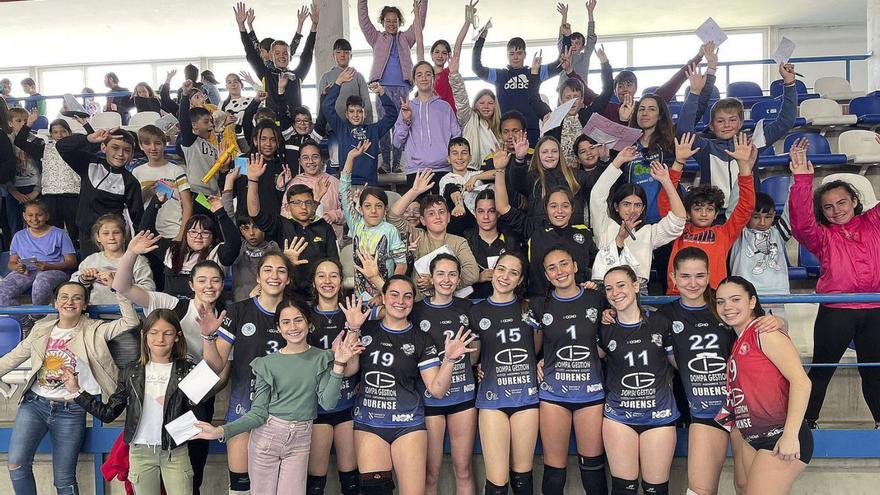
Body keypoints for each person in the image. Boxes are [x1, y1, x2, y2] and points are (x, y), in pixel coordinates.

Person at [196, 297, 363, 495]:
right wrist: (221, 431)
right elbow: (258, 413)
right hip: (267, 438)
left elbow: (327, 402)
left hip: (301, 439)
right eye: (286, 322)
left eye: (298, 320)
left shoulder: (323, 357)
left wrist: (339, 364)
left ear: (308, 323)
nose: (293, 327)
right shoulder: (266, 364)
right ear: (279, 328)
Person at [341, 275, 476, 495]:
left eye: (407, 296)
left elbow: (437, 390)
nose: (400, 301)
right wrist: (353, 331)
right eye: (394, 295)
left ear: (413, 301)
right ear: (383, 297)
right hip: (369, 423)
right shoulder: (366, 331)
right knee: (376, 491)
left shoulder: (421, 339)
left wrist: (449, 361)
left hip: (408, 424)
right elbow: (349, 371)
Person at [112, 232, 226, 494]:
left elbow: (217, 368)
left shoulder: (225, 316)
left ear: (222, 285)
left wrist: (196, 393)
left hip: (195, 394)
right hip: (158, 388)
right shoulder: (169, 304)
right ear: (191, 284)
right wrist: (131, 252)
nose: (209, 286)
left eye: (216, 280)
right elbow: (122, 286)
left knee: (188, 475)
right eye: (202, 280)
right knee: (150, 473)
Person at [0, 282, 139, 495]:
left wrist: (117, 289)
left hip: (72, 410)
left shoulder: (95, 329)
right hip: (35, 404)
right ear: (55, 303)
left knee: (64, 479)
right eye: (64, 297)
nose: (69, 302)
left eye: (76, 297)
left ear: (84, 305)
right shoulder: (41, 329)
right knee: (17, 465)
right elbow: (13, 357)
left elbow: (130, 321)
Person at [63, 309, 206, 495]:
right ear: (143, 335)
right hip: (140, 451)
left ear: (177, 337)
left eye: (167, 333)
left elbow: (200, 413)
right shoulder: (131, 371)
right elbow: (108, 413)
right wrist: (77, 392)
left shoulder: (189, 370)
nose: (160, 339)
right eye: (153, 332)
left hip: (175, 452)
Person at [788, 145, 880, 430]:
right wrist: (802, 181)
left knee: (875, 372)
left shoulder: (873, 222)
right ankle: (807, 422)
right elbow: (801, 225)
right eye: (828, 207)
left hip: (875, 309)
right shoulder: (822, 236)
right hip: (836, 312)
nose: (836, 210)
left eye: (841, 203)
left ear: (854, 201)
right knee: (822, 370)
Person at [196, 251, 297, 495]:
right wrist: (208, 336)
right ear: (258, 277)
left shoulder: (296, 316)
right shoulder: (238, 311)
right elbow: (216, 365)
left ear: (289, 279)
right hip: (244, 408)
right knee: (241, 486)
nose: (274, 276)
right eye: (268, 270)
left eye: (281, 270)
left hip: (285, 413)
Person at [715, 276, 813, 494]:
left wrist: (790, 435)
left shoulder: (764, 333)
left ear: (752, 302)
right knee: (742, 488)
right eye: (721, 301)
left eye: (735, 299)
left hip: (779, 436)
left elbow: (802, 382)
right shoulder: (738, 339)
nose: (727, 306)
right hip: (754, 437)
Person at [531, 247, 608, 495]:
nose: (559, 271)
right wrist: (536, 362)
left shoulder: (596, 299)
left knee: (593, 470)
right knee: (554, 471)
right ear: (546, 274)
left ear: (575, 266)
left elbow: (607, 344)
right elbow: (534, 349)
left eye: (564, 264)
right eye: (552, 268)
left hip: (590, 392)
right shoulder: (541, 305)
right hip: (554, 393)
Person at [679, 61, 798, 217]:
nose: (727, 125)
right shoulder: (705, 147)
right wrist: (694, 93)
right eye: (720, 121)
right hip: (714, 217)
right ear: (712, 126)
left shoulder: (752, 143)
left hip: (747, 214)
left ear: (741, 122)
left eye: (732, 120)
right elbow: (683, 132)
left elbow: (785, 121)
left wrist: (789, 83)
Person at [599, 265, 678, 495]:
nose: (615, 293)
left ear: (636, 285)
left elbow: (679, 364)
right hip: (619, 417)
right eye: (609, 289)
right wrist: (546, 361)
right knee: (624, 489)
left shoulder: (660, 322)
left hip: (659, 415)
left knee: (656, 490)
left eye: (621, 285)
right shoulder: (605, 327)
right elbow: (589, 358)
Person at [470, 251, 538, 495]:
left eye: (513, 272)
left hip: (526, 398)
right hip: (492, 399)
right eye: (501, 269)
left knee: (522, 479)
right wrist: (471, 363)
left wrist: (540, 363)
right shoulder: (476, 311)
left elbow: (540, 349)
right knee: (497, 483)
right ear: (492, 271)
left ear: (520, 280)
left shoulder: (531, 309)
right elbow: (474, 357)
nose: (505, 276)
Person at [411, 254, 478, 495]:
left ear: (459, 278)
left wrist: (478, 363)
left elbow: (477, 352)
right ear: (431, 277)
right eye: (440, 274)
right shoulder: (416, 311)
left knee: (464, 469)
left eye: (452, 274)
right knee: (431, 472)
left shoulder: (468, 308)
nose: (446, 279)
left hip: (462, 397)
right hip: (429, 399)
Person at [661, 132, 756, 293]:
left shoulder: (725, 232)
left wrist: (744, 167)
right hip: (678, 296)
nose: (704, 213)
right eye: (698, 209)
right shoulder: (678, 230)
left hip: (712, 298)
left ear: (716, 212)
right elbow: (665, 201)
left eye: (709, 209)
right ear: (689, 213)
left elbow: (746, 207)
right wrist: (678, 163)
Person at [493, 150, 597, 297]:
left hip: (578, 302)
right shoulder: (534, 228)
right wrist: (499, 170)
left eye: (565, 206)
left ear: (572, 209)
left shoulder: (583, 233)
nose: (559, 211)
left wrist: (593, 283)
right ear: (546, 208)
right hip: (541, 304)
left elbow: (598, 266)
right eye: (553, 206)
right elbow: (503, 207)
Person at [590, 147, 685, 289]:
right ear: (617, 207)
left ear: (643, 209)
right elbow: (597, 195)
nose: (632, 210)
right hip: (605, 289)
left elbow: (678, 220)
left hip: (638, 291)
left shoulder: (648, 232)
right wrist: (618, 161)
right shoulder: (604, 224)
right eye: (626, 204)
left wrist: (666, 181)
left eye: (638, 205)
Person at [246, 154, 339, 299]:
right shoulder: (281, 224)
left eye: (308, 203)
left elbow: (334, 263)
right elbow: (254, 213)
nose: (303, 207)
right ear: (288, 206)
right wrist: (253, 180)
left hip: (318, 295)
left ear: (313, 204)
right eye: (297, 203)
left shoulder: (323, 227)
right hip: (286, 295)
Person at [305, 259, 361, 495]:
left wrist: (354, 329)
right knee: (315, 482)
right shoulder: (303, 315)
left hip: (347, 405)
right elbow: (304, 367)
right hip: (316, 408)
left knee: (351, 480)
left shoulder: (353, 314)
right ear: (313, 282)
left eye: (334, 276)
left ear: (341, 280)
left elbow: (352, 368)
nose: (327, 281)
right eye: (321, 276)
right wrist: (334, 358)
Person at [357, 0, 429, 173]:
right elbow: (363, 20)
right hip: (382, 88)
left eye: (394, 21)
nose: (391, 24)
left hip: (402, 88)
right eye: (388, 21)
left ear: (399, 22)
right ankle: (385, 163)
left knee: (401, 124)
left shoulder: (406, 38)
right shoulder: (376, 38)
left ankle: (397, 164)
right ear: (382, 22)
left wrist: (422, 3)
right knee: (384, 125)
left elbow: (420, 21)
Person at [472, 13, 565, 143]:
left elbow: (560, 64)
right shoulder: (499, 75)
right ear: (507, 55)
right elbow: (477, 68)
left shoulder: (535, 71)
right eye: (512, 54)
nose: (515, 57)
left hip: (531, 129)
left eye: (519, 53)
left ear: (525, 54)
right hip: (506, 130)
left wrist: (566, 37)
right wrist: (480, 40)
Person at [387, 169, 480, 298]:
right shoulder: (417, 236)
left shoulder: (459, 242)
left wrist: (434, 282)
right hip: (419, 306)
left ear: (448, 217)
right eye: (431, 213)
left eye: (441, 212)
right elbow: (393, 217)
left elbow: (472, 274)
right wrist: (414, 192)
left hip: (451, 304)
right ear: (422, 220)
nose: (437, 217)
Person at [57, 127, 143, 257]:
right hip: (86, 235)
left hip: (112, 237)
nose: (120, 154)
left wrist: (138, 247)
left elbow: (138, 217)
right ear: (103, 147)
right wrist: (88, 139)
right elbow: (61, 146)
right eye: (115, 147)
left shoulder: (130, 182)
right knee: (89, 274)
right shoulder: (89, 164)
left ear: (131, 155)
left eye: (126, 150)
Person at [340, 140, 407, 299]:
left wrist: (388, 292)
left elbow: (401, 265)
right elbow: (344, 192)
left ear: (386, 209)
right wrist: (350, 158)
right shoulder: (356, 224)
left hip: (385, 296)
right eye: (368, 206)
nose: (373, 211)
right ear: (360, 209)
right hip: (360, 297)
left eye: (379, 206)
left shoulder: (390, 230)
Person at [140, 194, 240, 298]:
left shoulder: (218, 254)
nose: (198, 236)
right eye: (193, 232)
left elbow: (235, 243)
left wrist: (221, 213)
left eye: (205, 232)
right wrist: (156, 202)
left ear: (213, 236)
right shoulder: (171, 250)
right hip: (172, 311)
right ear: (185, 234)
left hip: (205, 311)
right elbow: (146, 233)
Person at [13, 111, 83, 244]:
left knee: (74, 231)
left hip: (72, 194)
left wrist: (85, 123)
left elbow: (93, 141)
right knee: (53, 231)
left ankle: (75, 259)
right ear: (51, 134)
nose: (59, 135)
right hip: (50, 195)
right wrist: (29, 124)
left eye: (63, 131)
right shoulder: (44, 149)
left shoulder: (77, 149)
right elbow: (19, 141)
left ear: (69, 133)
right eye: (55, 132)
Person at [323, 68, 398, 185]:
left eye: (359, 111)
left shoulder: (374, 130)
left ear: (365, 114)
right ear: (346, 115)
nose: (356, 115)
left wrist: (381, 93)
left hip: (370, 185)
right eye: (352, 111)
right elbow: (327, 107)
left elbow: (392, 115)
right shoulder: (341, 129)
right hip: (347, 185)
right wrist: (338, 83)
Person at [393, 61, 461, 189]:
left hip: (443, 169)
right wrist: (406, 121)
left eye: (428, 74)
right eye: (419, 75)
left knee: (443, 209)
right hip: (416, 172)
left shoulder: (445, 107)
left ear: (433, 78)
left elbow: (456, 138)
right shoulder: (407, 107)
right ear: (414, 80)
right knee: (417, 209)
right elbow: (397, 142)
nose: (424, 78)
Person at [0, 200, 77, 306]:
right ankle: (25, 321)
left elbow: (72, 262)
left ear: (47, 216)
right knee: (2, 291)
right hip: (27, 272)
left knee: (41, 281)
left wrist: (48, 266)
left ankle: (37, 318)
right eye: (30, 215)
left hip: (55, 270)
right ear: (24, 216)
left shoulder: (60, 234)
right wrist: (18, 267)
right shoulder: (19, 236)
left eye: (39, 215)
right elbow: (11, 263)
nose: (34, 219)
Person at [72, 214, 155, 304]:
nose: (111, 237)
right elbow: (71, 288)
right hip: (95, 314)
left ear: (124, 237)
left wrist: (119, 284)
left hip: (131, 314)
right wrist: (84, 280)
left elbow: (149, 290)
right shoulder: (90, 260)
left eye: (116, 233)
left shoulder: (138, 260)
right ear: (98, 238)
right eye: (106, 233)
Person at [132, 125, 194, 240]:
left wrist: (181, 234)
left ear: (164, 144)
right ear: (140, 146)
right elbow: (135, 204)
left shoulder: (177, 170)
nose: (153, 148)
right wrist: (145, 192)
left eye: (157, 143)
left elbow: (187, 204)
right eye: (147, 143)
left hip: (173, 231)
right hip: (146, 232)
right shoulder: (136, 172)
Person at [275, 140, 344, 239]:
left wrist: (335, 215)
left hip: (332, 240)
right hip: (301, 241)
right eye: (305, 158)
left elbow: (348, 213)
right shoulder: (294, 183)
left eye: (315, 157)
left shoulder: (334, 182)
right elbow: (285, 214)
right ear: (300, 162)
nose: (310, 161)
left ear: (322, 160)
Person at [462, 189, 522, 300]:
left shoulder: (511, 240)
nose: (486, 216)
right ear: (474, 213)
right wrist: (477, 278)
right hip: (474, 302)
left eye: (491, 211)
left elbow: (520, 273)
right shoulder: (465, 241)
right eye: (481, 211)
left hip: (507, 301)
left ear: (498, 213)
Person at [730, 191, 793, 296]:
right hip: (745, 295)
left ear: (773, 216)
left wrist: (796, 179)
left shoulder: (779, 234)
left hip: (778, 295)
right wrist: (744, 175)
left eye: (767, 217)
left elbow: (792, 208)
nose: (762, 222)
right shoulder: (738, 234)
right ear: (747, 216)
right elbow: (733, 209)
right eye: (756, 217)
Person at [414, 0, 471, 114]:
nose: (440, 55)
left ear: (448, 56)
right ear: (431, 54)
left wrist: (468, 20)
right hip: (431, 115)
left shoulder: (450, 71)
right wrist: (416, 13)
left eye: (444, 53)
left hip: (449, 116)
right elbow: (419, 41)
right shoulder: (425, 71)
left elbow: (458, 44)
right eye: (437, 52)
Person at [438, 137, 496, 235]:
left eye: (464, 153)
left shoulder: (477, 174)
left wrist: (476, 177)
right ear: (448, 159)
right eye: (455, 153)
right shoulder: (446, 178)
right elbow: (452, 190)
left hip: (481, 224)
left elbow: (498, 173)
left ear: (470, 157)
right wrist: (459, 205)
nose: (459, 157)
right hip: (458, 226)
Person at [178, 80, 221, 196]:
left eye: (211, 122)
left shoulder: (214, 147)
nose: (211, 125)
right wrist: (185, 96)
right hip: (196, 192)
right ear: (194, 125)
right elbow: (184, 121)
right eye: (206, 122)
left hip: (213, 193)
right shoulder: (190, 142)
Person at [555, 1, 598, 92]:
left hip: (581, 93)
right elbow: (562, 36)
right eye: (572, 43)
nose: (573, 45)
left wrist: (590, 13)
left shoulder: (584, 57)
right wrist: (564, 16)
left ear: (583, 47)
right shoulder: (564, 53)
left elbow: (591, 38)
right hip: (563, 93)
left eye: (577, 43)